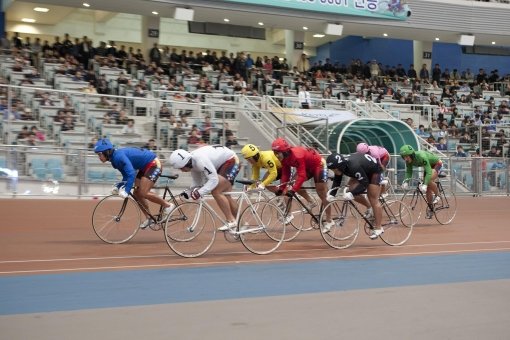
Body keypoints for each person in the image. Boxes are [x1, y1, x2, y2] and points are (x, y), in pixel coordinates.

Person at [93, 138, 174, 229]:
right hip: (144, 167)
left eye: (100, 154)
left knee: (143, 192)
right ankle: (149, 218)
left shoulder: (118, 157)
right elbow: (126, 176)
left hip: (154, 163)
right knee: (137, 193)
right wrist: (119, 185)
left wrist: (127, 190)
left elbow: (131, 173)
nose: (99, 157)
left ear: (107, 152)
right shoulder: (114, 161)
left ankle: (168, 205)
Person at [169, 146, 240, 232]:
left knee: (216, 191)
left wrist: (199, 192)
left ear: (187, 163)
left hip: (231, 160)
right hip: (222, 164)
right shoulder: (193, 164)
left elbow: (213, 180)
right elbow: (197, 183)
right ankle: (241, 224)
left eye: (181, 168)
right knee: (226, 196)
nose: (181, 171)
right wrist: (189, 192)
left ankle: (231, 221)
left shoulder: (201, 161)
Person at [271, 138, 332, 230]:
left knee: (321, 192)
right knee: (293, 184)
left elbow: (302, 176)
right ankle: (311, 202)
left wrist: (293, 191)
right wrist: (282, 188)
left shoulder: (297, 155)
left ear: (284, 151)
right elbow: (285, 174)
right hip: (307, 167)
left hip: (319, 165)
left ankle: (329, 220)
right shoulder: (283, 158)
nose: (276, 155)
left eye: (277, 152)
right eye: (274, 152)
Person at [326, 152, 384, 239]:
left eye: (335, 169)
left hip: (374, 171)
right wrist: (332, 194)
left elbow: (365, 183)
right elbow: (337, 180)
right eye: (332, 170)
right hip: (362, 169)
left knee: (372, 198)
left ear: (340, 166)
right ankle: (369, 208)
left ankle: (379, 228)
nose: (334, 171)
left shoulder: (353, 166)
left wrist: (352, 194)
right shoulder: (341, 165)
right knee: (351, 190)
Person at [400, 145, 443, 219]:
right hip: (428, 166)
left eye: (407, 156)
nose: (405, 159)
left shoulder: (421, 156)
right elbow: (409, 172)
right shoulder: (408, 161)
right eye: (404, 157)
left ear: (412, 155)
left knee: (427, 181)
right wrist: (406, 182)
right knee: (427, 189)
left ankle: (438, 194)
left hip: (436, 164)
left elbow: (429, 172)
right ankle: (431, 208)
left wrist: (425, 184)